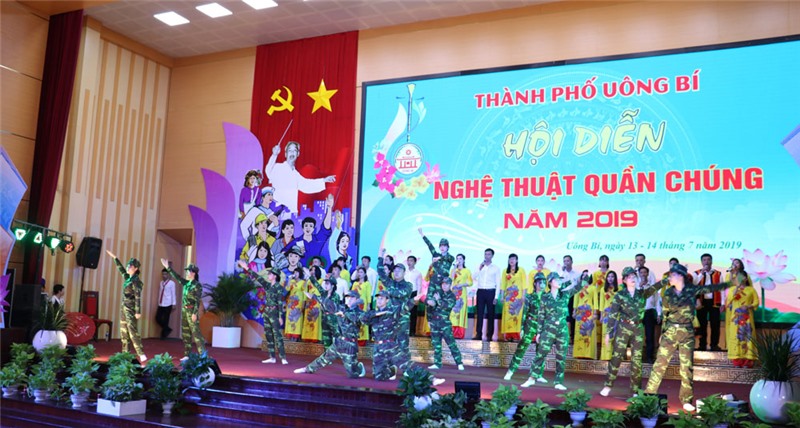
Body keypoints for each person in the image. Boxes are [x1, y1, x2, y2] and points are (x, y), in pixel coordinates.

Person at [644, 263, 741, 412]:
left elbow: (712, 288)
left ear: (681, 276)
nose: (670, 277)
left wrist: (731, 283)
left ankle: (686, 399)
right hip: (670, 331)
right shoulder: (668, 292)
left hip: (687, 333)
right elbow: (663, 311)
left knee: (687, 367)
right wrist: (663, 332)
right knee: (659, 365)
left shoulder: (692, 290)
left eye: (673, 275)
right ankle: (649, 395)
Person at [599, 267, 667, 397]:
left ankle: (635, 390)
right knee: (617, 357)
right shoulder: (620, 295)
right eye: (629, 277)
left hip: (638, 328)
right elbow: (613, 315)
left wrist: (667, 279)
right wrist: (608, 332)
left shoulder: (642, 293)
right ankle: (608, 385)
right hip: (623, 327)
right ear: (624, 280)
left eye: (634, 276)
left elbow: (655, 287)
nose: (633, 279)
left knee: (637, 360)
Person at [526, 271, 589, 390]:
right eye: (556, 280)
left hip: (562, 329)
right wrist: (539, 332)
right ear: (550, 282)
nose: (559, 282)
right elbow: (541, 315)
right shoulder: (545, 297)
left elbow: (578, 287)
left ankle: (558, 382)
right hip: (548, 329)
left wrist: (585, 276)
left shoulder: (565, 294)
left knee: (561, 357)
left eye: (560, 280)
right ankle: (532, 378)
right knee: (541, 354)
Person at [294, 289, 366, 378]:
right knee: (324, 358)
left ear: (357, 300)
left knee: (352, 374)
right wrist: (313, 296)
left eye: (352, 298)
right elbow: (327, 302)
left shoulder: (361, 313)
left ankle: (359, 367)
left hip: (349, 345)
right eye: (347, 298)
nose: (349, 300)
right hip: (339, 342)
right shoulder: (340, 308)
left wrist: (346, 313)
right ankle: (308, 369)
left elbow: (356, 319)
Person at [361, 290, 423, 380]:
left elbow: (404, 307)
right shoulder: (373, 314)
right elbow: (362, 318)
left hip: (390, 345)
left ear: (387, 300)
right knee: (378, 377)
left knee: (409, 366)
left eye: (381, 298)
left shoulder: (392, 312)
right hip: (378, 348)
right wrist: (376, 313)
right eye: (377, 298)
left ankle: (431, 379)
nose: (378, 300)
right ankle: (391, 370)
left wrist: (414, 300)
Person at [265, 140, 336, 214]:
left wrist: (324, 180)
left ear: (298, 154)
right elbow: (268, 171)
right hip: (276, 211)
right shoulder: (277, 167)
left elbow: (307, 185)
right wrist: (274, 155)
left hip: (290, 212)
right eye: (290, 150)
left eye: (294, 151)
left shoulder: (296, 175)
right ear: (285, 154)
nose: (292, 153)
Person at [240, 261, 288, 364]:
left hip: (275, 312)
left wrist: (280, 316)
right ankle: (272, 357)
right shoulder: (267, 285)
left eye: (270, 274)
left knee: (277, 335)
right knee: (268, 334)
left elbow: (280, 302)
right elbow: (257, 277)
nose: (268, 275)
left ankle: (283, 357)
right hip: (266, 312)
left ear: (275, 276)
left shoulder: (279, 287)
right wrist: (247, 268)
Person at [106, 250, 147, 363]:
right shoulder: (128, 278)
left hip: (131, 309)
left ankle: (141, 353)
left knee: (132, 330)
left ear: (136, 268)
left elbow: (138, 296)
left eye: (131, 266)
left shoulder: (136, 281)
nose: (128, 267)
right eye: (128, 265)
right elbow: (122, 270)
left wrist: (138, 311)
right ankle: (125, 354)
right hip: (124, 308)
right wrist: (115, 258)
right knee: (123, 331)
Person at [161, 259, 206, 360]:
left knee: (196, 334)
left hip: (191, 311)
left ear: (193, 273)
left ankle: (203, 355)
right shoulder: (186, 283)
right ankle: (187, 354)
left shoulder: (197, 285)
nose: (187, 273)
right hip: (185, 311)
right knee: (186, 333)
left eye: (188, 271)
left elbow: (197, 300)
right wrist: (168, 268)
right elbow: (177, 277)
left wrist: (195, 313)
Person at [378, 250, 414, 371]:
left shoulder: (408, 285)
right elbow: (381, 273)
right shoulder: (390, 282)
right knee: (389, 343)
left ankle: (407, 370)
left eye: (399, 270)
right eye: (395, 270)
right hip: (390, 319)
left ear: (404, 272)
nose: (396, 272)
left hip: (402, 318)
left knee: (403, 344)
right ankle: (390, 369)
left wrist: (389, 291)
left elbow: (401, 293)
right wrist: (380, 258)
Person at [504, 272, 544, 381]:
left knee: (541, 350)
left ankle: (538, 374)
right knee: (521, 348)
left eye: (543, 282)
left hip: (542, 326)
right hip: (530, 324)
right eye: (540, 282)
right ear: (535, 283)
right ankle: (510, 371)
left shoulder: (546, 297)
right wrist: (522, 328)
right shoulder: (530, 297)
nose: (542, 285)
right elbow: (524, 313)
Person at [723, 258, 759, 368]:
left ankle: (748, 360)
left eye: (741, 277)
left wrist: (749, 306)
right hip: (735, 317)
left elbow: (756, 302)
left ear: (746, 278)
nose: (739, 278)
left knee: (748, 336)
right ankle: (737, 360)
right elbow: (729, 300)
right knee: (735, 336)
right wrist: (736, 287)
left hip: (747, 317)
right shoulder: (733, 289)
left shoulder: (751, 290)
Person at [427, 277, 465, 371]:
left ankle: (459, 363)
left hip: (445, 324)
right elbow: (430, 307)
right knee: (436, 345)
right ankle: (437, 363)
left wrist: (438, 300)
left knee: (451, 344)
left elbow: (447, 306)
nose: (444, 286)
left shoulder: (451, 296)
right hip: (434, 323)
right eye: (443, 284)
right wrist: (429, 320)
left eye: (446, 284)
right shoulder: (437, 293)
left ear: (450, 285)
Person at [285, 194, 334, 266]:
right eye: (306, 226)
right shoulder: (296, 241)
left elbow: (325, 228)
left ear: (313, 229)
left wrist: (329, 208)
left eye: (311, 226)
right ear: (302, 228)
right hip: (299, 271)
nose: (308, 228)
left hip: (315, 270)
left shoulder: (318, 239)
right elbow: (284, 252)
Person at [695, 253, 723, 351]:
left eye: (708, 260)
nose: (706, 262)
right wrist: (701, 274)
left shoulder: (718, 273)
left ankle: (714, 345)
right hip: (701, 302)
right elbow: (694, 284)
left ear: (711, 261)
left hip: (714, 301)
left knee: (715, 324)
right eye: (704, 260)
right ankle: (702, 345)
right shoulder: (697, 273)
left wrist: (723, 303)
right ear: (701, 262)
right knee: (701, 324)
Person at [472, 248, 501, 341]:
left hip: (491, 291)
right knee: (479, 313)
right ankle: (478, 334)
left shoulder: (496, 268)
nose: (486, 256)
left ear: (492, 256)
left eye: (488, 254)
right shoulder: (480, 266)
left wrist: (496, 296)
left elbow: (498, 283)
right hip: (481, 291)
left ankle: (489, 335)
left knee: (491, 313)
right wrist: (479, 268)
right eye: (485, 254)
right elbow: (473, 277)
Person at [499, 253, 527, 342]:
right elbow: (503, 284)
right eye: (510, 259)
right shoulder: (505, 271)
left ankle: (516, 336)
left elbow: (524, 284)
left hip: (518, 297)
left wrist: (523, 296)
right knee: (508, 316)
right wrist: (502, 296)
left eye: (513, 259)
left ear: (517, 260)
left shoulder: (521, 270)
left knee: (517, 315)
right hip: (508, 298)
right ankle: (508, 336)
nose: (512, 260)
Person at [572, 267, 598, 359]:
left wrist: (595, 313)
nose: (585, 276)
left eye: (587, 275)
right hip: (580, 312)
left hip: (589, 313)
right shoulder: (578, 288)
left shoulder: (593, 288)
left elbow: (595, 301)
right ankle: (579, 353)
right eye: (583, 275)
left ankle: (589, 354)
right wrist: (574, 311)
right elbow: (575, 300)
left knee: (589, 332)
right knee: (579, 332)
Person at [640, 265, 662, 364]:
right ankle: (638, 357)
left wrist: (659, 314)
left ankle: (649, 357)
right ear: (639, 274)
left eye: (645, 272)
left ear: (648, 274)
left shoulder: (653, 287)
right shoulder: (635, 287)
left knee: (650, 336)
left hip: (649, 313)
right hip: (638, 313)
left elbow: (657, 302)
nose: (643, 274)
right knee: (638, 337)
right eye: (641, 272)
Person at [449, 254, 472, 339]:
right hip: (454, 293)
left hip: (462, 293)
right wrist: (454, 268)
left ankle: (459, 333)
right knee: (453, 312)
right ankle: (451, 333)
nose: (459, 260)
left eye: (460, 258)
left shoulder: (467, 270)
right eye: (457, 258)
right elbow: (450, 279)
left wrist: (462, 284)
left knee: (461, 312)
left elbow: (470, 282)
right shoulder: (453, 270)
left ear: (464, 260)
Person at [561, 255, 583, 343]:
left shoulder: (577, 274)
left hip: (574, 297)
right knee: (565, 317)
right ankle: (566, 337)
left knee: (573, 316)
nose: (566, 263)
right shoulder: (562, 274)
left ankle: (573, 336)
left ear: (572, 262)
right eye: (564, 261)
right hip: (565, 296)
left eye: (568, 261)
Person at [598, 270, 619, 361]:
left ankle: (614, 356)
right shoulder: (603, 289)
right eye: (609, 277)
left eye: (612, 277)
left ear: (615, 278)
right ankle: (605, 355)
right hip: (606, 315)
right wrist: (601, 316)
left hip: (616, 314)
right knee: (606, 334)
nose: (610, 278)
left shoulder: (619, 289)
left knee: (615, 334)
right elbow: (601, 304)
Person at [301, 266, 324, 343]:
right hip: (309, 303)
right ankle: (307, 337)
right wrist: (304, 303)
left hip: (317, 303)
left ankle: (316, 338)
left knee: (315, 320)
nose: (313, 272)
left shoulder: (322, 281)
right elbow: (304, 290)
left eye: (314, 270)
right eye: (311, 270)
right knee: (308, 320)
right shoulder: (308, 281)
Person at [283, 268, 307, 342]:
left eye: (297, 272)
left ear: (300, 273)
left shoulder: (303, 282)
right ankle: (290, 335)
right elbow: (287, 289)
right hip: (291, 304)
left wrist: (303, 303)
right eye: (294, 272)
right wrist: (289, 279)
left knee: (297, 319)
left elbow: (305, 293)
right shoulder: (292, 281)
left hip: (298, 304)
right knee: (290, 318)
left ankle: (296, 336)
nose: (295, 274)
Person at [350, 267, 372, 346]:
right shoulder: (355, 283)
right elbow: (352, 294)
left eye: (361, 272)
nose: (359, 274)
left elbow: (368, 295)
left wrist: (368, 305)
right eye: (358, 272)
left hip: (363, 305)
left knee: (363, 321)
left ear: (365, 274)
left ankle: (363, 339)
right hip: (355, 305)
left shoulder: (367, 284)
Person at [404, 255, 423, 336]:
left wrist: (417, 297)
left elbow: (419, 285)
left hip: (413, 293)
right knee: (404, 312)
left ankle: (412, 331)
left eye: (411, 260)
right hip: (404, 293)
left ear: (415, 262)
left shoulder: (418, 273)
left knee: (413, 313)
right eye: (408, 260)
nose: (409, 262)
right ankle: (404, 330)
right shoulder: (404, 271)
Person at [155, 269, 176, 340]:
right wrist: (159, 302)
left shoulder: (172, 283)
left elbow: (173, 293)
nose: (164, 276)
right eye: (163, 274)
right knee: (157, 318)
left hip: (168, 303)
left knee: (166, 320)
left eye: (165, 274)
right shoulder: (161, 283)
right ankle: (167, 329)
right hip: (161, 303)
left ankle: (163, 336)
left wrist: (174, 303)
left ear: (168, 275)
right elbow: (160, 293)